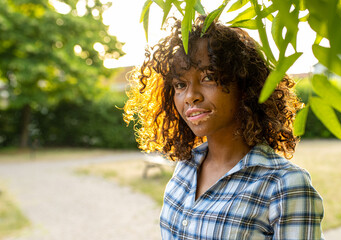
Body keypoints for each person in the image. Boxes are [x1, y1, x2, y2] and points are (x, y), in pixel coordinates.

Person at [124, 16, 324, 239]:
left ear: (245, 86)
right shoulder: (186, 167)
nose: (190, 96)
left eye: (209, 77)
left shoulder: (284, 185)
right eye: (180, 84)